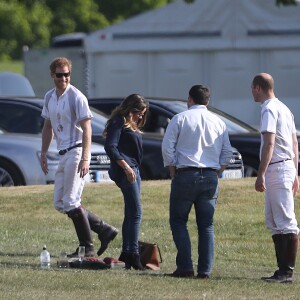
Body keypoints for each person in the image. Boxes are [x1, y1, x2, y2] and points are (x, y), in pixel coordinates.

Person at [40, 57, 118, 258]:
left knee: (72, 201)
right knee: (60, 203)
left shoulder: (76, 97)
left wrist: (85, 158)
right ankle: (103, 229)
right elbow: (48, 127)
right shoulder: (49, 97)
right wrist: (43, 153)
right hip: (63, 153)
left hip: (76, 151)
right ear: (52, 75)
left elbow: (87, 129)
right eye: (59, 75)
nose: (63, 78)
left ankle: (87, 248)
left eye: (66, 74)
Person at [162, 85, 233, 278]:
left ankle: (185, 266)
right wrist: (218, 171)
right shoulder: (219, 122)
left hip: (186, 173)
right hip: (210, 175)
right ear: (208, 101)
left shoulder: (180, 118)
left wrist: (172, 170)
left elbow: (168, 148)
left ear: (190, 99)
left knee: (178, 221)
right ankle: (205, 270)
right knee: (206, 225)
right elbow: (228, 152)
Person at [251, 73, 299, 283]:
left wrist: (260, 173)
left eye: (252, 88)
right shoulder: (285, 108)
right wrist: (296, 173)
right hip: (286, 166)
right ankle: (281, 269)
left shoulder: (269, 109)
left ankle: (286, 272)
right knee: (274, 220)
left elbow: (269, 143)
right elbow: (294, 144)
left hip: (277, 168)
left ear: (258, 88)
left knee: (286, 221)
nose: (252, 92)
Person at [104, 94, 149, 270]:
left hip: (133, 170)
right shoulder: (119, 121)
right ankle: (133, 253)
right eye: (139, 112)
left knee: (131, 212)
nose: (141, 116)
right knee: (136, 212)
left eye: (143, 113)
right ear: (131, 109)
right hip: (126, 171)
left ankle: (127, 252)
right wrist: (126, 168)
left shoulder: (131, 123)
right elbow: (111, 146)